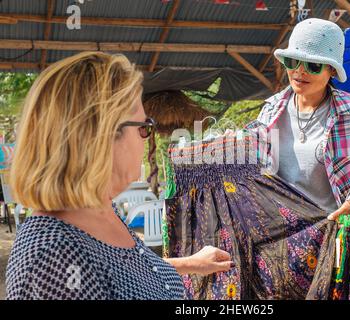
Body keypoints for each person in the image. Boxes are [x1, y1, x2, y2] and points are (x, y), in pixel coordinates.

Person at [6, 51, 233, 300]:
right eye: (144, 127)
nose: (146, 139)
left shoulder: (100, 209)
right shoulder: (54, 260)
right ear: (101, 138)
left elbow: (128, 271)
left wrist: (191, 263)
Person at [248, 18, 350, 284]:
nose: (299, 71)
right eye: (292, 62)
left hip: (338, 248)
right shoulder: (269, 111)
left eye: (312, 65)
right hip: (280, 251)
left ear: (332, 72)